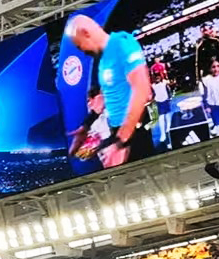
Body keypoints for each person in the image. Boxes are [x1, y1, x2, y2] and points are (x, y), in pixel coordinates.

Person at [64, 12, 153, 169]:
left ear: (86, 33)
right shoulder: (103, 61)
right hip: (118, 134)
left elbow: (142, 89)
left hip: (133, 134)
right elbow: (104, 98)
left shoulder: (122, 43)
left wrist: (121, 142)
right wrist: (85, 126)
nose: (82, 51)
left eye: (79, 46)